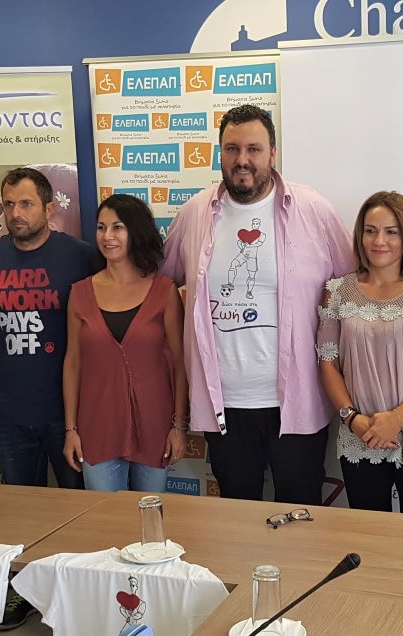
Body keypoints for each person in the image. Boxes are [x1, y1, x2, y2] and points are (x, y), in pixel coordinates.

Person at [160, 104, 353, 504]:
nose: (242, 160)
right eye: (232, 149)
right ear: (220, 153)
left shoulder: (313, 210)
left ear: (273, 153)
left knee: (301, 514)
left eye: (253, 149)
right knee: (236, 517)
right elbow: (163, 282)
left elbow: (351, 286)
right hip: (224, 403)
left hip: (298, 401)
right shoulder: (194, 213)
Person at [316, 191, 403, 515]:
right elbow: (328, 363)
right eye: (371, 230)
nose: (379, 241)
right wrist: (352, 419)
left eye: (391, 231)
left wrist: (397, 419)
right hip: (360, 434)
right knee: (368, 537)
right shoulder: (337, 291)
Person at [0, 167, 95, 490]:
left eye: (26, 204)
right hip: (8, 411)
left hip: (66, 411)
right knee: (23, 507)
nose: (16, 213)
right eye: (9, 204)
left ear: (49, 208)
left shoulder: (80, 255)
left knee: (78, 505)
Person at [62, 194, 188, 491]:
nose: (107, 236)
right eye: (101, 227)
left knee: (150, 517)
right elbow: (73, 363)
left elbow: (180, 364)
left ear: (136, 231)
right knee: (104, 517)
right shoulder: (80, 292)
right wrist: (71, 430)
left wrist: (179, 426)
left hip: (155, 430)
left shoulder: (164, 291)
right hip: (97, 430)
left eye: (117, 227)